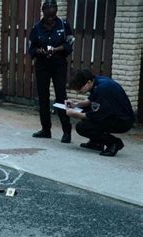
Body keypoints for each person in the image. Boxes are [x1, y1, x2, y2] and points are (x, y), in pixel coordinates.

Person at [28, 0, 74, 143]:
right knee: (43, 97)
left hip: (59, 65)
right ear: (43, 13)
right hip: (42, 65)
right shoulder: (36, 28)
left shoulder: (64, 25)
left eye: (52, 17)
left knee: (61, 97)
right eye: (47, 17)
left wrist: (56, 49)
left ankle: (67, 132)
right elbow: (31, 49)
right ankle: (45, 130)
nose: (50, 20)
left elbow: (69, 44)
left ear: (56, 14)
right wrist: (39, 51)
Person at [66, 69, 135, 157]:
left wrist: (76, 114)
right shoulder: (98, 81)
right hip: (116, 115)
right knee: (85, 113)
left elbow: (98, 114)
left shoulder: (102, 88)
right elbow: (91, 99)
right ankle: (96, 143)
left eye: (79, 88)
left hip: (122, 121)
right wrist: (76, 105)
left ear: (88, 82)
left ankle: (114, 143)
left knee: (82, 127)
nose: (78, 92)